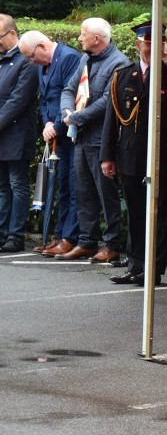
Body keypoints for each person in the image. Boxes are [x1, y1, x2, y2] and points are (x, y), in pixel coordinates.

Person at [101, 21, 167, 286]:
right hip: (130, 156)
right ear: (139, 45)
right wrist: (107, 156)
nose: (154, 48)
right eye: (148, 43)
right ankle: (135, 265)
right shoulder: (123, 76)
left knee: (162, 215)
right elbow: (112, 119)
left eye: (159, 44)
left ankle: (155, 268)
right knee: (136, 213)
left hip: (164, 159)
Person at [57, 18, 130, 262]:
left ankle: (111, 245)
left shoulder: (119, 63)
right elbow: (69, 90)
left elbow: (108, 102)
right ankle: (87, 241)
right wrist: (68, 113)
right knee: (84, 192)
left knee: (106, 194)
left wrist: (77, 117)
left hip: (102, 139)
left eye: (83, 34)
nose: (79, 38)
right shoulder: (85, 60)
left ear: (96, 39)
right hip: (81, 137)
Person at [17, 31, 80, 256]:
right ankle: (61, 234)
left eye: (31, 57)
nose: (30, 62)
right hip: (55, 135)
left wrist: (57, 126)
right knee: (62, 187)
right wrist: (46, 124)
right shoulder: (41, 64)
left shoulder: (69, 58)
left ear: (42, 46)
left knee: (73, 187)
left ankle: (71, 237)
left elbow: (70, 97)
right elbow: (44, 100)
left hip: (71, 134)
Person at [0, 15, 39, 252]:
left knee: (17, 184)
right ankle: (2, 232)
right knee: (2, 186)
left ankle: (15, 235)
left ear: (13, 34)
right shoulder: (2, 59)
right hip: (3, 133)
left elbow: (18, 101)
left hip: (16, 134)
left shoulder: (26, 60)